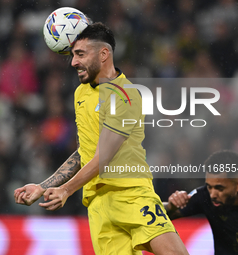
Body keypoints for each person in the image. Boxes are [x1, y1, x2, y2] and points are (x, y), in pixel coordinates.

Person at [14, 22, 189, 255]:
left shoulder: (124, 95)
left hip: (131, 195)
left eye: (80, 54)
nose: (73, 62)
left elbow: (104, 156)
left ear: (104, 54)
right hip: (98, 206)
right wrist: (43, 186)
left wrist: (66, 190)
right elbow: (85, 152)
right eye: (73, 55)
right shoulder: (81, 93)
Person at [164, 150, 238, 255]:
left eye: (219, 188)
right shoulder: (205, 196)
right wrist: (171, 206)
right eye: (209, 186)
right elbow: (162, 215)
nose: (213, 194)